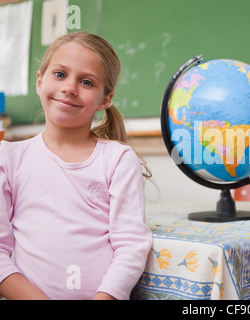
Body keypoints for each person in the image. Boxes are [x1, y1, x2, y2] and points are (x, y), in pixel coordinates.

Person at [0, 32, 153, 300]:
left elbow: (131, 246)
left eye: (86, 82)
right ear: (39, 81)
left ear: (105, 100)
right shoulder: (9, 158)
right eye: (60, 74)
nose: (70, 87)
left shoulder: (118, 159)